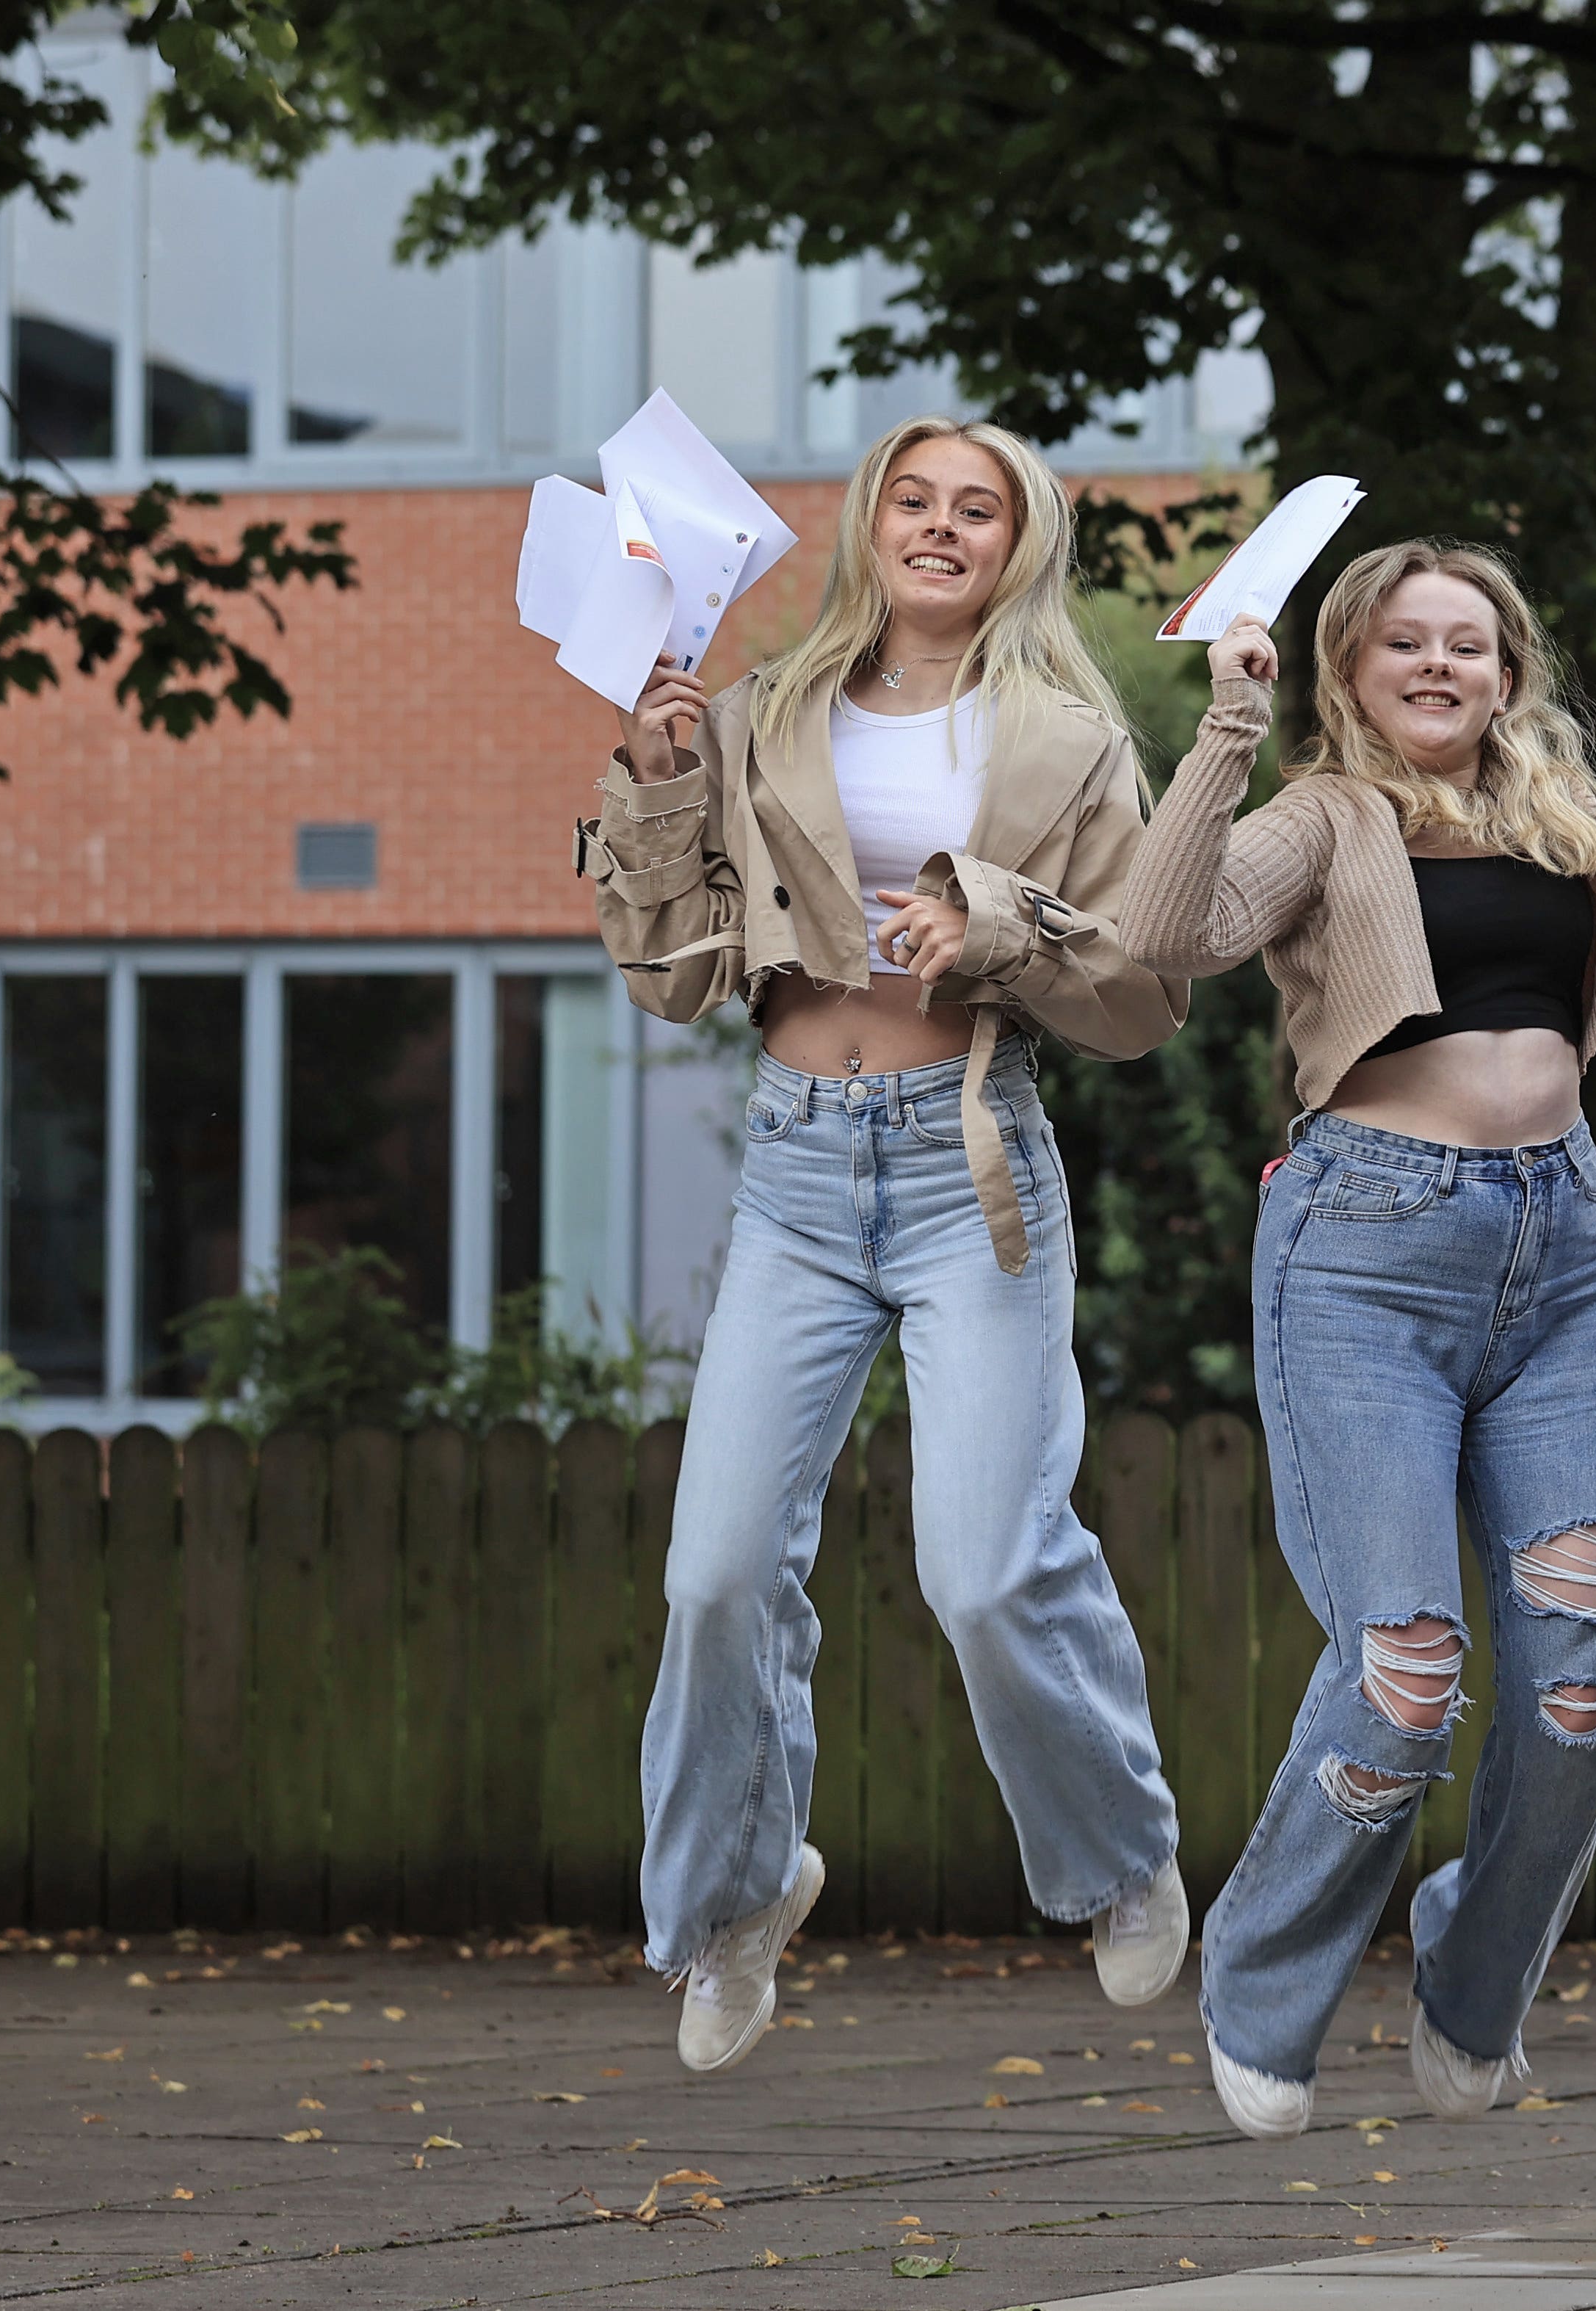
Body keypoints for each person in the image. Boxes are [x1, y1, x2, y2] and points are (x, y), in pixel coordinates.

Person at [579, 414, 1189, 2071]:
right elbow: (673, 973)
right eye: (912, 499)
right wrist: (650, 783)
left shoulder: (1069, 737)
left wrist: (993, 922)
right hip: (793, 1173)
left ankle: (1122, 1853)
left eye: (972, 506)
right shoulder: (761, 710)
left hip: (966, 1167)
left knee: (985, 1570)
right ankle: (735, 1895)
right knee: (713, 1569)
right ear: (869, 525)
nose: (937, 526)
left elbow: (1140, 996)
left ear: (1017, 540)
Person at [1117, 540, 1596, 2138]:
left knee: (1573, 1686)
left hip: (1566, 1258)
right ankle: (1262, 1983)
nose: (1438, 664)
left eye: (1468, 642)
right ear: (1351, 663)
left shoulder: (1565, 826)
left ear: (1507, 670)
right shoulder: (1321, 817)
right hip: (1365, 1257)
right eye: (1405, 640)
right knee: (1405, 1672)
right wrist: (1221, 735)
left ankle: (1475, 1980)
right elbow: (1162, 932)